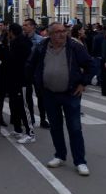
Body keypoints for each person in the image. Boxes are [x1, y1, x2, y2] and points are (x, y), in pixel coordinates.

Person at [26, 22, 93, 176]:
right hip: (49, 94)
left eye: (63, 31)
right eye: (57, 32)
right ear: (50, 34)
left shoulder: (74, 47)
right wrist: (36, 83)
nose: (61, 34)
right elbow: (30, 64)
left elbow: (91, 65)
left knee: (75, 128)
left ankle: (80, 161)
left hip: (71, 94)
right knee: (55, 127)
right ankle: (60, 155)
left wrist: (83, 83)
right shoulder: (42, 47)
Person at [2, 23, 35, 144]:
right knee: (16, 105)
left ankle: (30, 133)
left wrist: (3, 50)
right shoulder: (19, 42)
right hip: (15, 79)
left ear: (11, 32)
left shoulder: (20, 43)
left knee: (24, 107)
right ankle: (18, 129)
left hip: (22, 80)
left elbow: (12, 60)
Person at [22, 19, 49, 128]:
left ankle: (43, 119)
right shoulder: (22, 39)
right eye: (23, 25)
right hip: (26, 72)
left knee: (41, 97)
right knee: (28, 97)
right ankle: (31, 118)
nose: (24, 27)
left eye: (26, 25)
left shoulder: (41, 40)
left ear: (33, 26)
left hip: (38, 72)